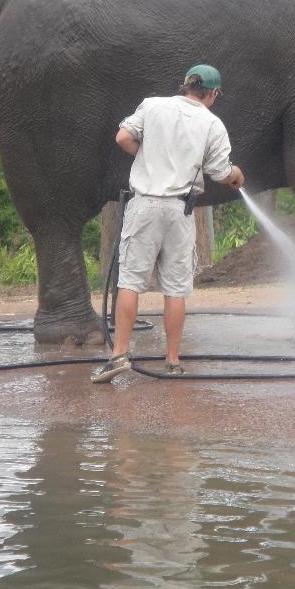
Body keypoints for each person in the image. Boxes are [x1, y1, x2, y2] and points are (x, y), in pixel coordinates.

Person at [91, 64, 244, 383]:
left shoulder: (152, 105)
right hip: (180, 212)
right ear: (212, 94)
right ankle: (173, 361)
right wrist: (237, 175)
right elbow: (220, 172)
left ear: (185, 86)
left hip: (145, 205)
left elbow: (122, 137)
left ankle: (119, 355)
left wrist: (145, 157)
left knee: (130, 281)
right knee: (176, 288)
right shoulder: (212, 124)